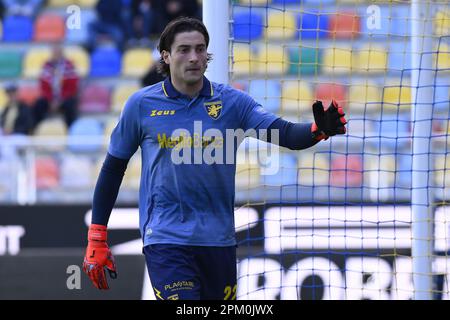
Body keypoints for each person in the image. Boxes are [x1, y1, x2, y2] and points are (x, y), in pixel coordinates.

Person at [82, 17, 347, 300]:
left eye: (200, 49)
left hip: (218, 241)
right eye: (184, 49)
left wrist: (318, 130)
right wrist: (97, 236)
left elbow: (285, 134)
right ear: (166, 56)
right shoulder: (141, 105)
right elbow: (113, 168)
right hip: (166, 239)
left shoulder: (234, 103)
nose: (194, 57)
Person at [33, 45, 79, 129]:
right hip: (49, 99)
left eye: (58, 53)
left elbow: (72, 86)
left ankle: (71, 129)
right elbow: (43, 86)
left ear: (62, 53)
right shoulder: (47, 66)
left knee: (71, 104)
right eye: (54, 53)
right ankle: (37, 129)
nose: (56, 55)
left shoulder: (68, 65)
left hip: (64, 98)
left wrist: (60, 100)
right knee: (38, 104)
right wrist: (51, 100)